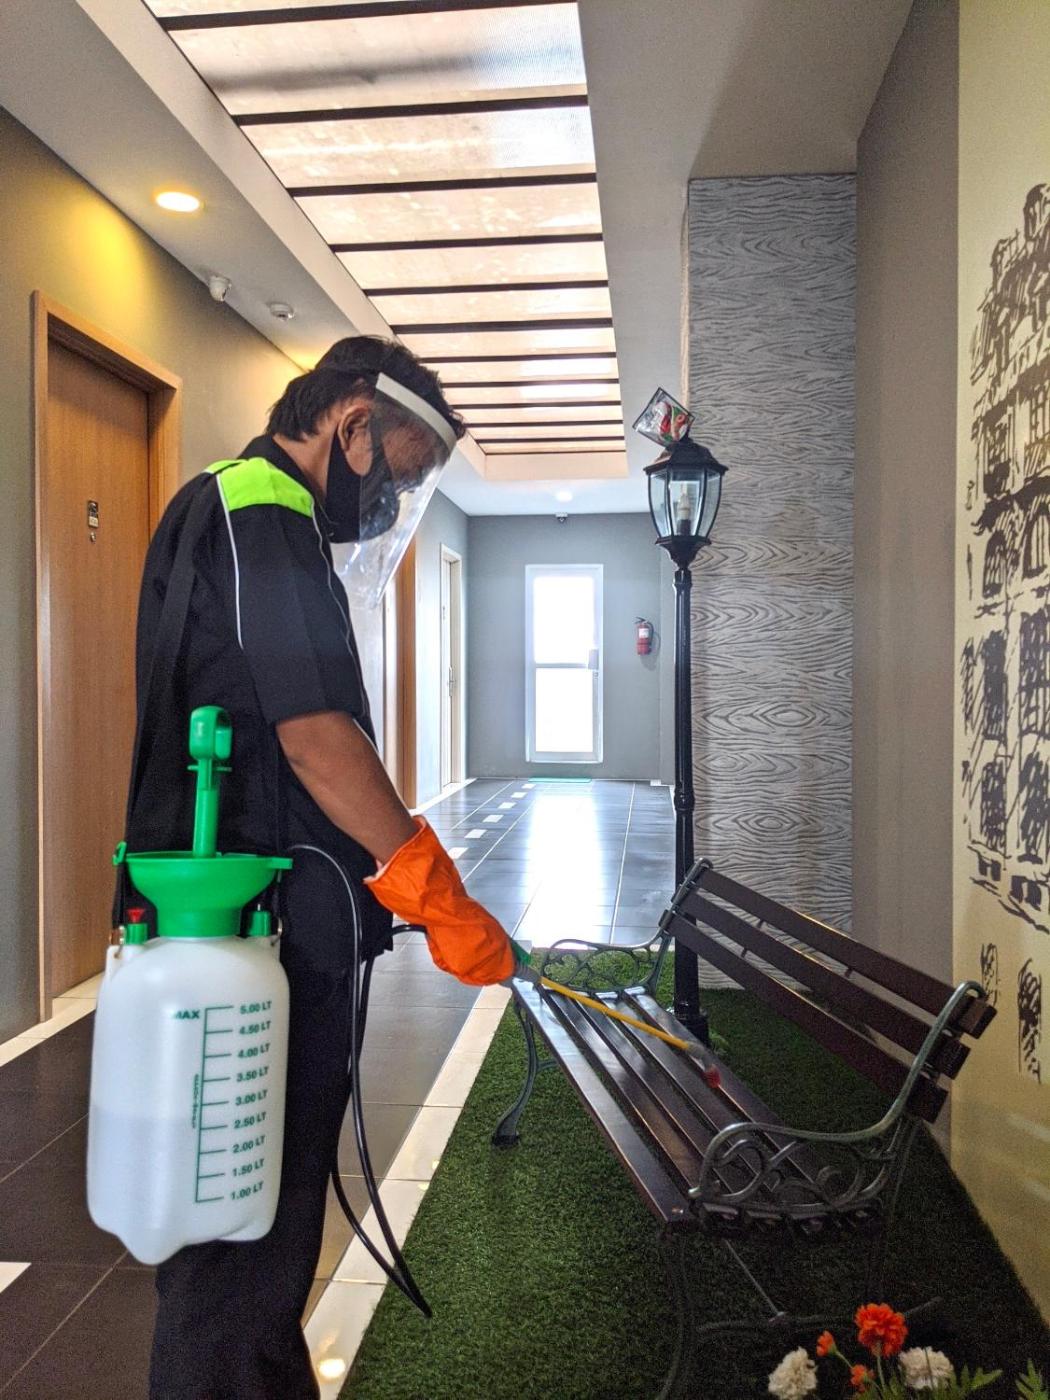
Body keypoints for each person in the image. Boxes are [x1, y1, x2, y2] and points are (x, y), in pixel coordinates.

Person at [122, 335, 517, 1399]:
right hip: (261, 937)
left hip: (250, 932)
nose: (395, 496)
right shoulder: (264, 512)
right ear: (351, 423)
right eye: (401, 467)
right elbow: (315, 738)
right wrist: (432, 886)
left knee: (254, 1220)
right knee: (243, 1225)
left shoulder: (246, 513)